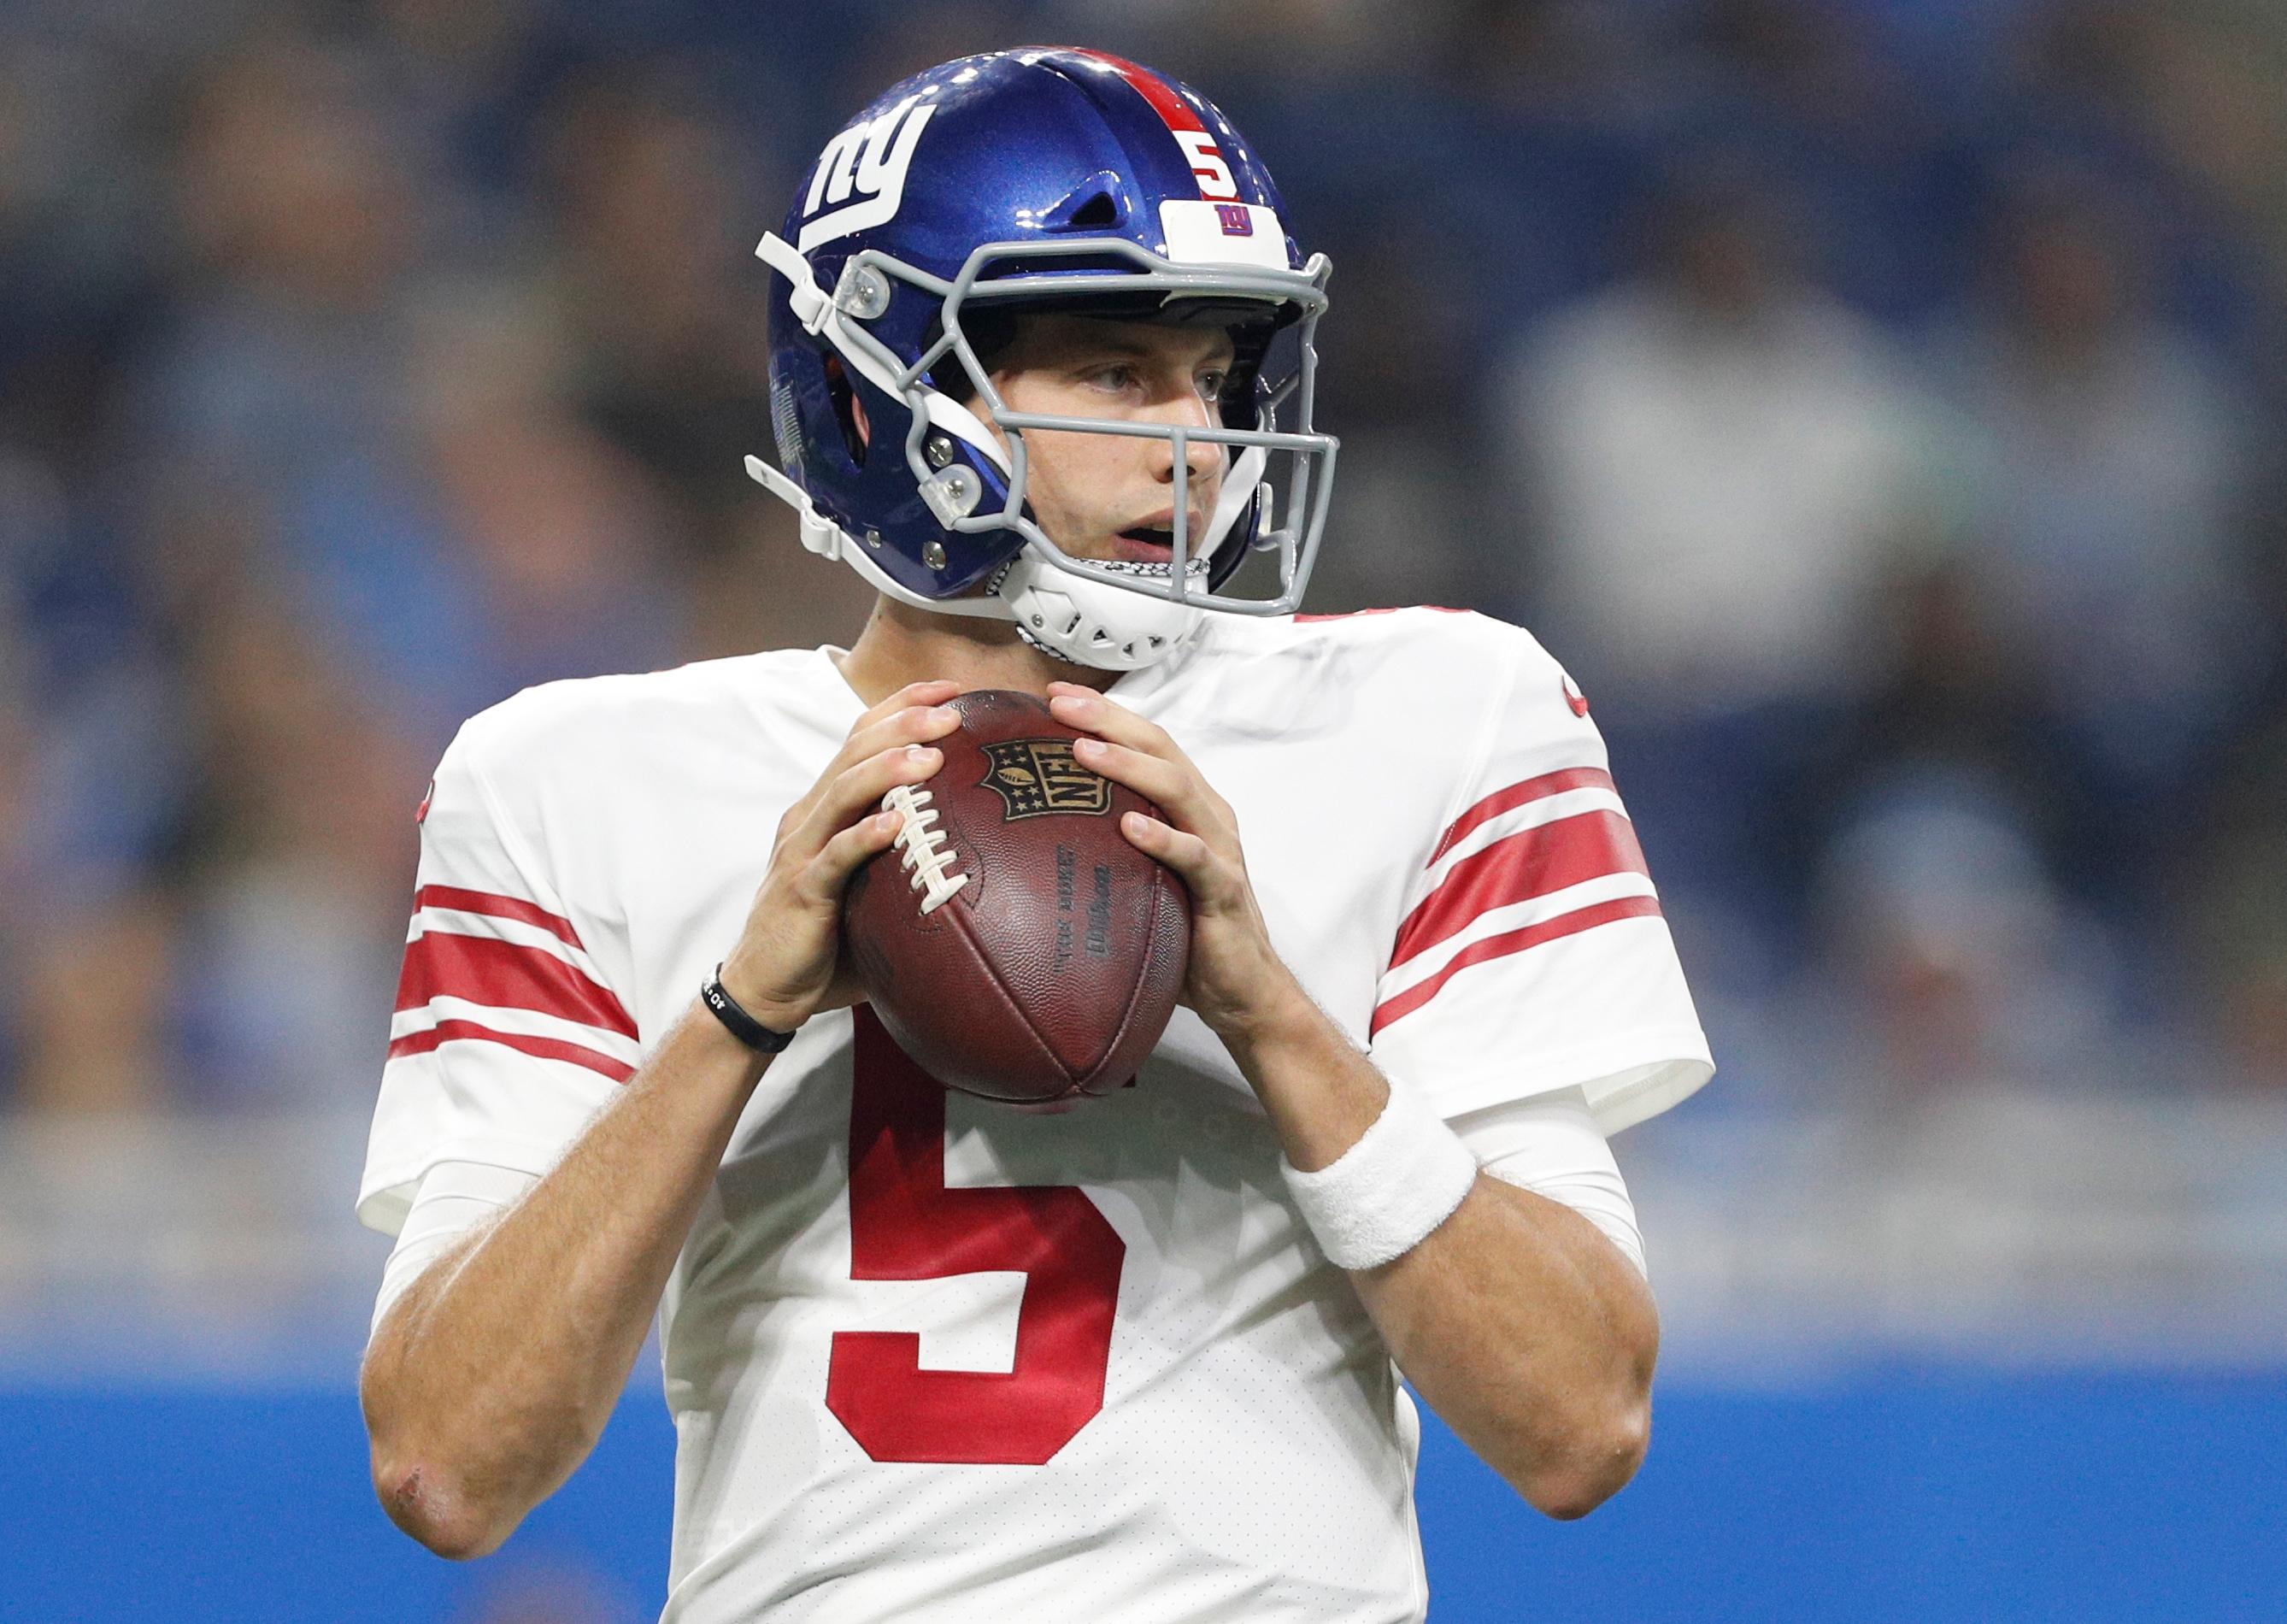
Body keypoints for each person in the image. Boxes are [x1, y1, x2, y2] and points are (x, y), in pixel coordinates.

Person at [356, 47, 1711, 1622]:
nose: (1191, 441)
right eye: (1113, 371)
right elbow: (448, 1467)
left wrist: (1271, 1013)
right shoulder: (569, 779)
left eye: (1213, 373)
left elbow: (1579, 1426)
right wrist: (738, 1018)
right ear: (885, 386)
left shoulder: (1446, 714)